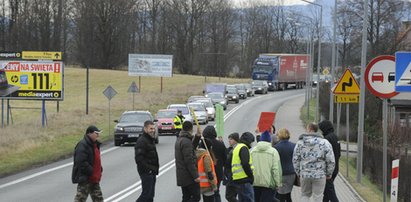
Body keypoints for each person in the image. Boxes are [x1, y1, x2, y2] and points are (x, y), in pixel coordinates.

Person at [293, 123, 335, 201]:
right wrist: (329, 173)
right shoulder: (324, 143)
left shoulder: (300, 143)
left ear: (309, 130)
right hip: (319, 174)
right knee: (318, 196)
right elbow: (331, 160)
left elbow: (295, 159)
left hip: (305, 174)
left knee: (304, 194)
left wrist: (298, 172)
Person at [72, 125, 104, 202]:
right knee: (80, 199)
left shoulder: (95, 145)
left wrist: (100, 169)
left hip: (94, 179)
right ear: (89, 133)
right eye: (96, 133)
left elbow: (95, 160)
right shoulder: (82, 145)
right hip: (86, 179)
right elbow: (81, 161)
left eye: (98, 133)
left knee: (99, 199)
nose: (98, 135)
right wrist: (91, 171)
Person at [251, 130, 282, 202]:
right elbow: (276, 169)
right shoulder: (273, 152)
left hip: (255, 182)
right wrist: (278, 183)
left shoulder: (253, 151)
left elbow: (249, 166)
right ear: (269, 140)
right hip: (269, 184)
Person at [175, 121, 202, 202]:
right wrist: (196, 176)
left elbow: (191, 148)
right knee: (196, 197)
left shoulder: (181, 139)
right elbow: (189, 161)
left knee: (186, 197)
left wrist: (197, 136)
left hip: (182, 176)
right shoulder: (186, 142)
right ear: (191, 129)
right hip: (188, 176)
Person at [134, 120, 159, 202]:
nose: (153, 130)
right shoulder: (142, 141)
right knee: (146, 195)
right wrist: (149, 170)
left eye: (153, 128)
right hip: (147, 172)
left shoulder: (150, 140)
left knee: (150, 196)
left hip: (152, 172)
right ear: (145, 129)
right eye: (150, 129)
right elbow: (139, 159)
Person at [202, 125, 227, 202]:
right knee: (216, 192)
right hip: (218, 172)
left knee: (206, 194)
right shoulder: (220, 144)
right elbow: (225, 159)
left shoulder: (203, 144)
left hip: (205, 173)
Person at [319, 120, 341, 202]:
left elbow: (324, 155)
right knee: (327, 191)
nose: (321, 132)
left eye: (321, 129)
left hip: (329, 170)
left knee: (330, 191)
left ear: (325, 128)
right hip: (335, 168)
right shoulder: (335, 137)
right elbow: (339, 154)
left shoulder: (327, 139)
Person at [274, 128, 296, 202]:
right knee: (288, 194)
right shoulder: (294, 146)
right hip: (291, 173)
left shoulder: (276, 147)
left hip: (281, 174)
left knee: (280, 196)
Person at [232, 132, 255, 202]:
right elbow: (245, 163)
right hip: (244, 179)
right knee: (249, 199)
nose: (251, 144)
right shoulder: (244, 148)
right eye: (251, 141)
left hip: (237, 179)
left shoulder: (237, 147)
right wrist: (251, 176)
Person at [224, 133, 240, 202]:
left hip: (233, 176)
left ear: (236, 140)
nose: (229, 141)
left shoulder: (236, 150)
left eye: (231, 139)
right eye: (229, 139)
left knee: (229, 196)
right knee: (232, 195)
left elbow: (227, 163)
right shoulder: (230, 149)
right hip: (231, 176)